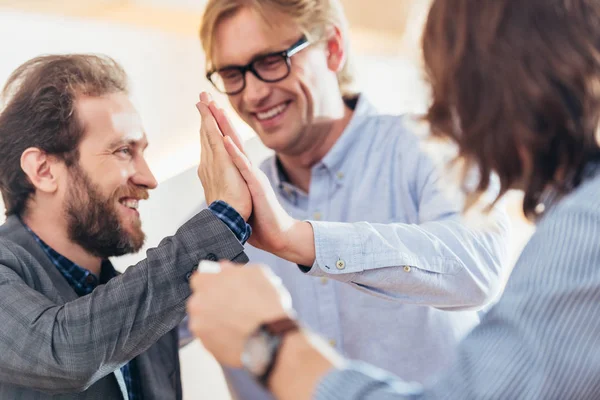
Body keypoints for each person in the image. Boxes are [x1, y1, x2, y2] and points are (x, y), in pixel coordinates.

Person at [188, 0, 600, 398]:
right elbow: (137, 340)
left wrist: (297, 245)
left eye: (271, 61)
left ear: (333, 47)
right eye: (232, 74)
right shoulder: (224, 211)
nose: (253, 94)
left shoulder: (434, 146)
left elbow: (478, 267)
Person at [0, 54, 252, 399]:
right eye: (122, 150)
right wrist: (223, 219)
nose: (148, 178)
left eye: (142, 152)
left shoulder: (143, 303)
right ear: (43, 171)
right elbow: (64, 352)